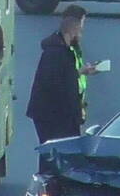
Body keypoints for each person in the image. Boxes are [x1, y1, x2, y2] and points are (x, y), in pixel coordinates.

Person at [27, 12, 85, 143]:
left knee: (52, 154)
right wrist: (75, 116)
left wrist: (79, 72)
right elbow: (59, 86)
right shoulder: (57, 53)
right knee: (55, 153)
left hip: (52, 115)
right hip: (54, 116)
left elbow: (61, 77)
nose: (80, 36)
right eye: (79, 32)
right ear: (71, 32)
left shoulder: (59, 51)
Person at [60, 4, 97, 123]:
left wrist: (86, 71)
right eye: (81, 23)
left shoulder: (73, 46)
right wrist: (81, 71)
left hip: (72, 107)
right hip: (60, 113)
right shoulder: (59, 49)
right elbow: (59, 78)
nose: (82, 28)